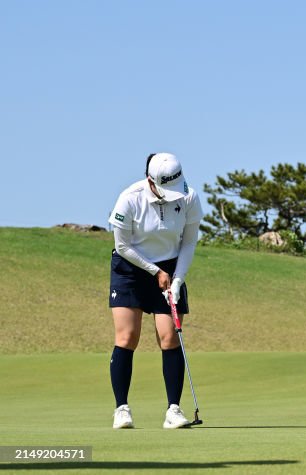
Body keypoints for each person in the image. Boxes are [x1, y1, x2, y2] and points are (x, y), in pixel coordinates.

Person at [107, 153, 203, 429]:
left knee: (170, 337)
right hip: (131, 268)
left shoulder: (188, 197)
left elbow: (188, 243)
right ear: (151, 180)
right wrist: (155, 272)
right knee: (127, 336)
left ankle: (174, 410)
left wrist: (177, 279)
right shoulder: (130, 197)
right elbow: (122, 246)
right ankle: (121, 409)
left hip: (171, 267)